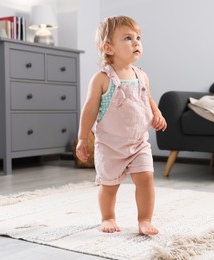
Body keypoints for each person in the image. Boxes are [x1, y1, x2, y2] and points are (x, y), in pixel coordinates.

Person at [75, 15, 167, 236]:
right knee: (109, 186)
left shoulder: (141, 76)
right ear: (108, 48)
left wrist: (157, 113)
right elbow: (89, 110)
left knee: (146, 179)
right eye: (128, 38)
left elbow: (149, 99)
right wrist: (82, 138)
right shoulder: (102, 78)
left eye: (138, 37)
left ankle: (144, 219)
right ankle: (108, 216)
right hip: (110, 146)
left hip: (138, 144)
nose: (136, 42)